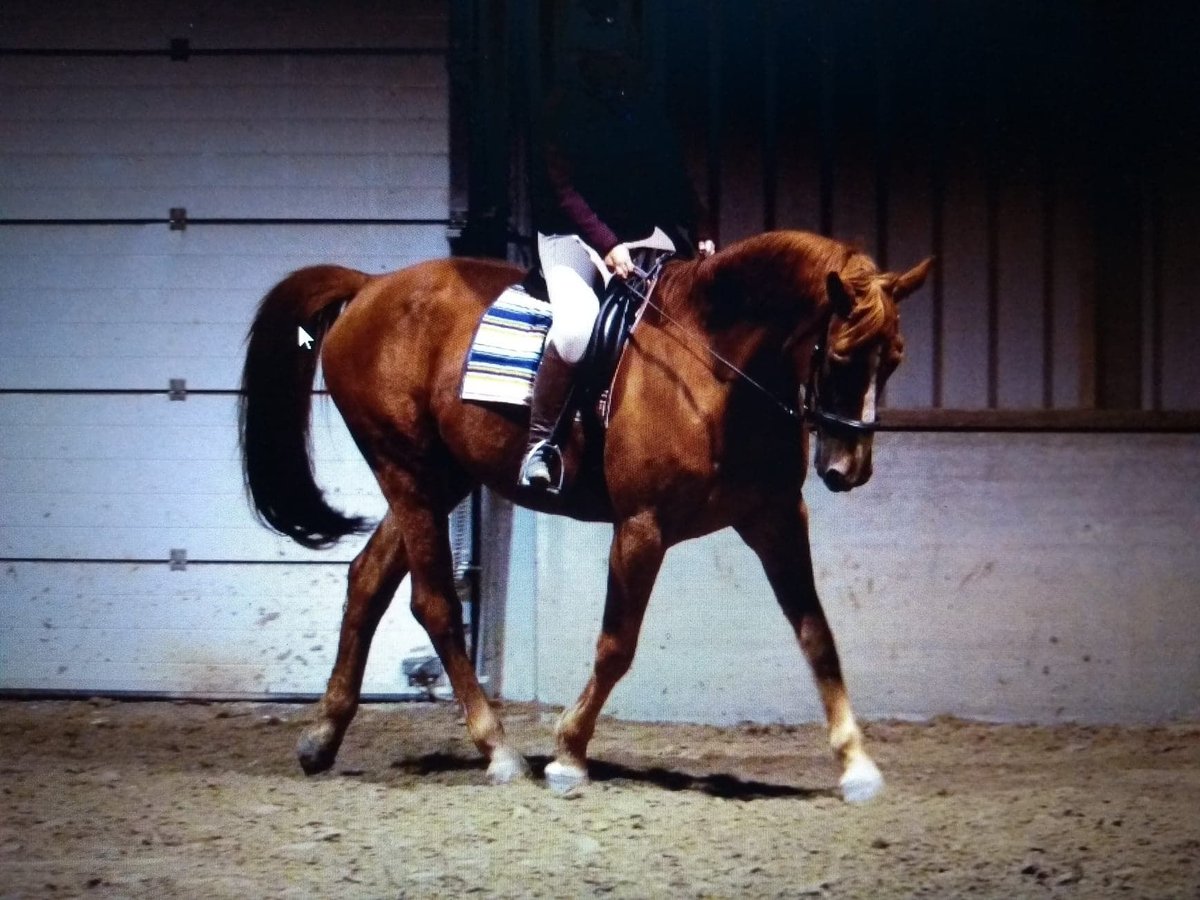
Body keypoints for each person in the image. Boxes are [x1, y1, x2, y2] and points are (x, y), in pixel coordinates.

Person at [519, 51, 715, 491]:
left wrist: (701, 224)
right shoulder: (560, 111)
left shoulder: (643, 110)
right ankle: (541, 445)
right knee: (577, 328)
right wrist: (608, 246)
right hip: (571, 237)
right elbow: (565, 193)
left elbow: (673, 178)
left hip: (637, 235)